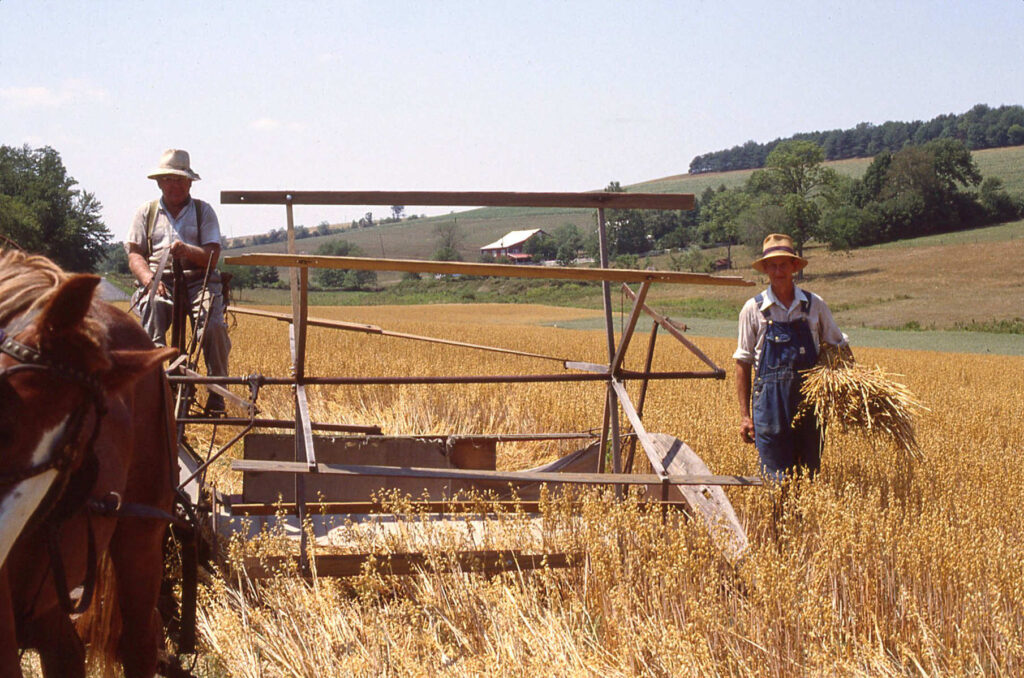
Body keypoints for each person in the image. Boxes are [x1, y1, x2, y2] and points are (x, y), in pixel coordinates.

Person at [734, 233, 847, 480]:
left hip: (809, 407)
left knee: (808, 478)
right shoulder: (753, 309)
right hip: (769, 410)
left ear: (794, 266)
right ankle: (778, 520)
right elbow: (742, 363)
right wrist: (745, 416)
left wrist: (846, 391)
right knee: (776, 482)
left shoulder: (815, 305)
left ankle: (805, 520)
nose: (778, 271)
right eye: (772, 266)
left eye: (783, 264)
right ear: (765, 269)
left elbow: (838, 348)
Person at [125, 149, 231, 413]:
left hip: (199, 281)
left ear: (190, 183)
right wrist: (149, 279)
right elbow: (135, 254)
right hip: (159, 280)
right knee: (153, 307)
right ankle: (153, 380)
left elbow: (212, 256)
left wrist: (187, 251)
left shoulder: (203, 211)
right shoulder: (145, 213)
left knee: (213, 325)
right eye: (169, 180)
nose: (174, 185)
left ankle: (217, 391)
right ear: (160, 183)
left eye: (180, 180)